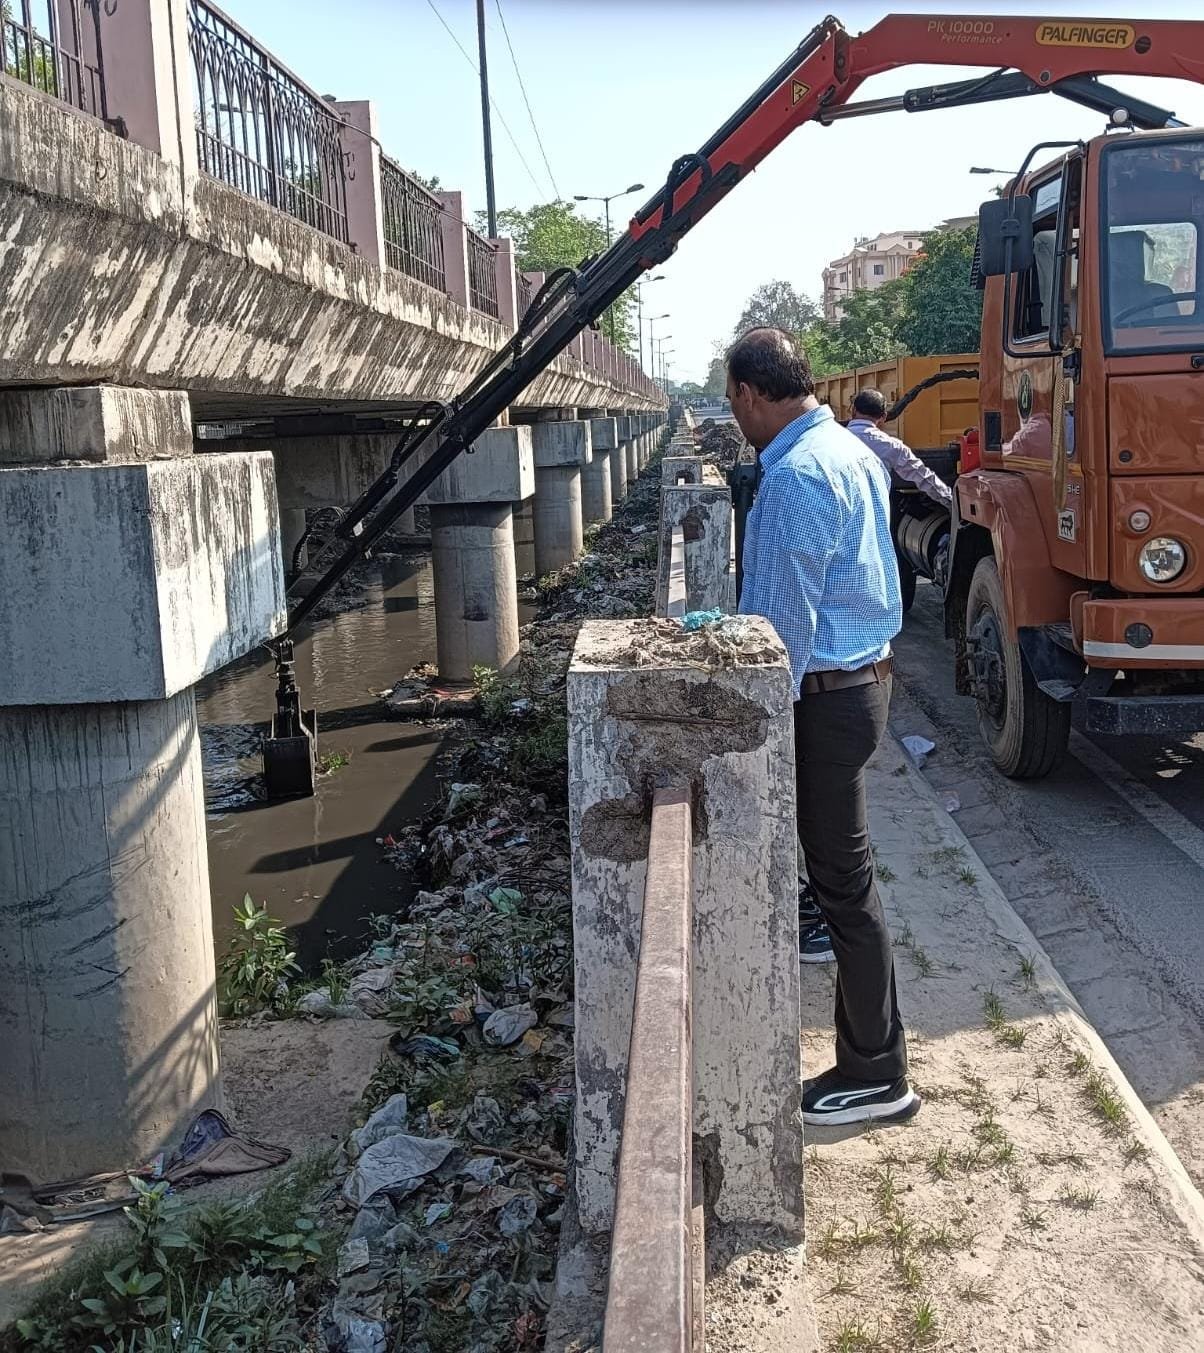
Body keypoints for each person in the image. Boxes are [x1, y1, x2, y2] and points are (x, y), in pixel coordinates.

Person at [727, 327, 918, 1127]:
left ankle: (877, 1071)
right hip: (861, 681)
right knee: (844, 878)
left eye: (734, 403)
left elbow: (777, 633)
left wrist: (739, 723)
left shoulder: (799, 475)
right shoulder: (847, 448)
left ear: (747, 395)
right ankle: (873, 1056)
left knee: (849, 888)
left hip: (827, 696)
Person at [847, 389, 952, 508]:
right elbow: (924, 478)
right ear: (883, 417)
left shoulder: (830, 439)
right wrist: (950, 501)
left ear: (853, 410)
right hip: (872, 516)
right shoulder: (892, 446)